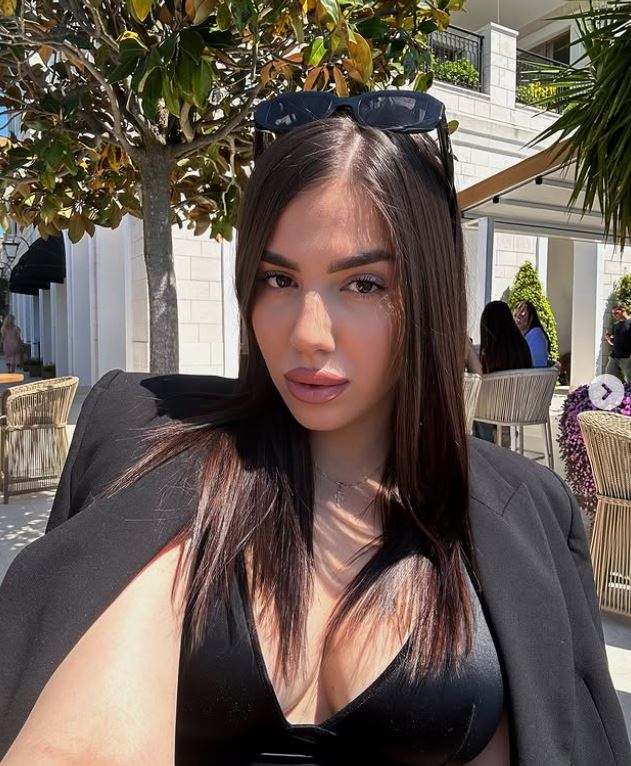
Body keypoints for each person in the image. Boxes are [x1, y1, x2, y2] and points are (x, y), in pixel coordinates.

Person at [0, 92, 628, 766]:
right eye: (278, 279)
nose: (307, 334)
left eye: (363, 284)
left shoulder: (524, 513)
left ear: (429, 291)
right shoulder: (160, 455)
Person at [472, 301, 532, 444]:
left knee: (474, 401)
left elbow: (483, 379)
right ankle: (502, 434)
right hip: (519, 407)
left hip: (497, 409)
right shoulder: (522, 346)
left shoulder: (492, 353)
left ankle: (484, 445)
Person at [512, 300, 551, 368]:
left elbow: (537, 363)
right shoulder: (516, 337)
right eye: (515, 315)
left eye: (523, 314)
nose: (518, 317)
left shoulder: (536, 334)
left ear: (531, 317)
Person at [604, 302, 631, 383]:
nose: (614, 315)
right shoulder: (616, 325)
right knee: (608, 379)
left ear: (623, 310)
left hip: (627, 358)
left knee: (629, 381)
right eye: (613, 313)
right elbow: (614, 342)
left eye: (616, 313)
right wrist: (609, 339)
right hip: (614, 357)